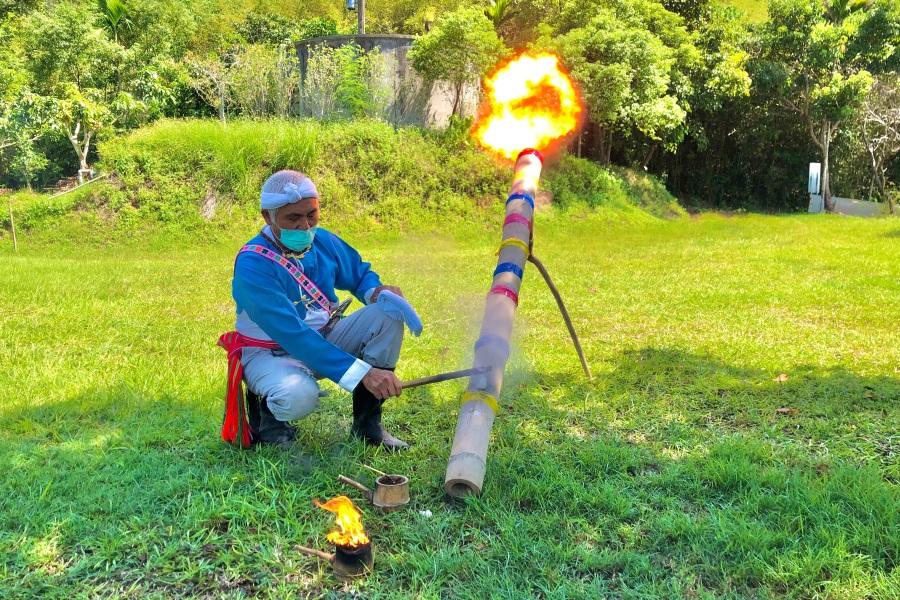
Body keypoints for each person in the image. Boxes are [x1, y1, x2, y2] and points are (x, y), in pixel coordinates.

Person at [222, 169, 422, 450]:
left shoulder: (322, 240)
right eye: (293, 218)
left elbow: (358, 274)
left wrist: (376, 292)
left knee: (386, 314)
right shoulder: (253, 264)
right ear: (268, 216)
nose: (305, 226)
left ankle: (368, 426)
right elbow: (293, 334)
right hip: (272, 352)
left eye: (311, 215)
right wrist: (363, 373)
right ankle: (268, 416)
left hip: (324, 339)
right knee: (298, 396)